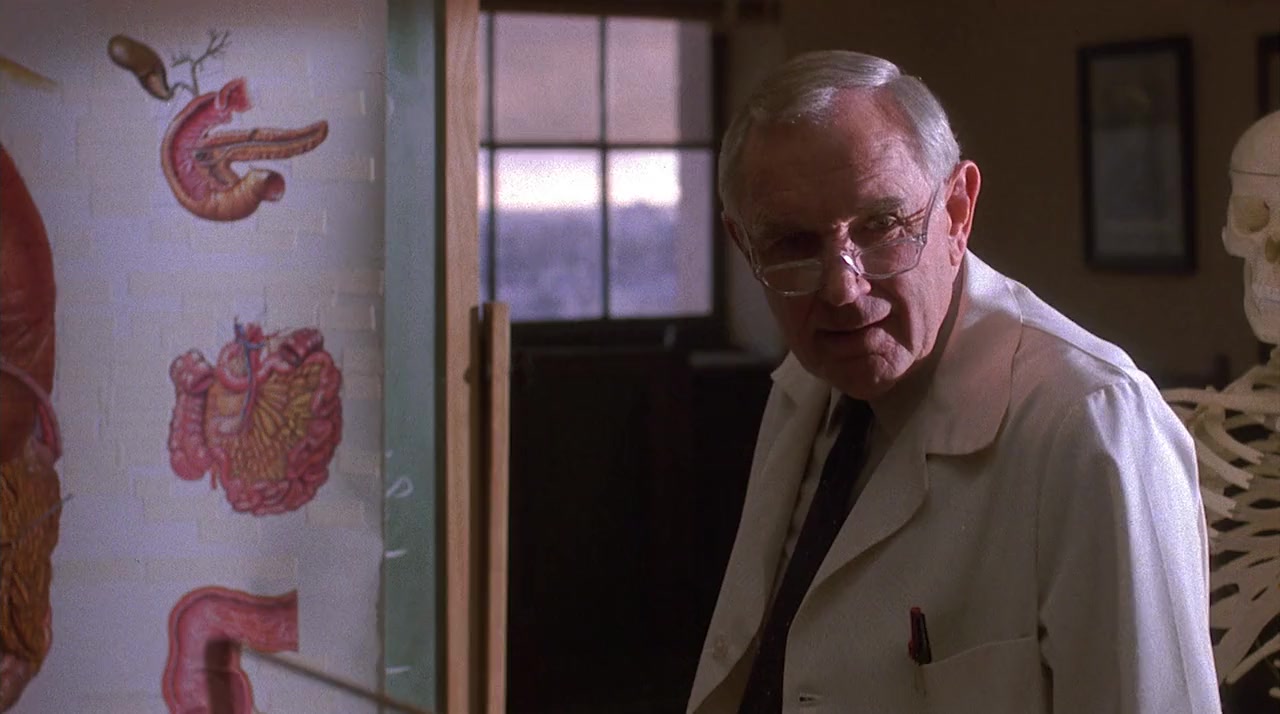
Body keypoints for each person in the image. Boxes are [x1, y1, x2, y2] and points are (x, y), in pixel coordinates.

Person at [688, 50, 1221, 714]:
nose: (843, 290)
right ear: (744, 245)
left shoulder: (1092, 422)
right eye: (793, 245)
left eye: (880, 226)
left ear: (958, 211)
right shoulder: (807, 383)